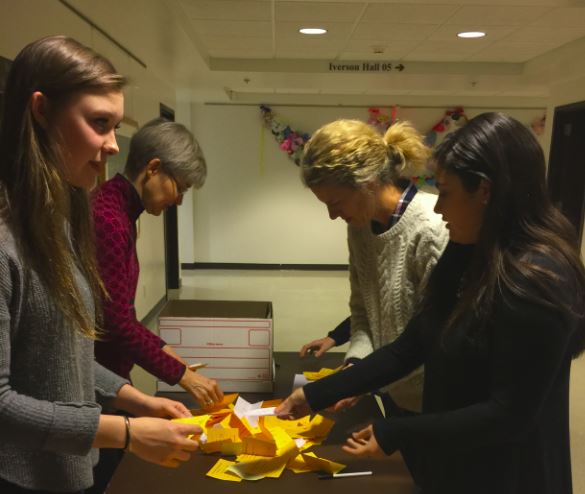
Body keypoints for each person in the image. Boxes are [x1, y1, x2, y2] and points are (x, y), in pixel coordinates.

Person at [277, 112, 585, 494]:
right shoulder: (467, 249)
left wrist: (394, 431)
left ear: (484, 191)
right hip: (459, 456)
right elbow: (412, 345)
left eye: (447, 192)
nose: (439, 209)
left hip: (511, 471)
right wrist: (316, 394)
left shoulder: (539, 277)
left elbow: (509, 415)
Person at [0, 36, 202, 493]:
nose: (113, 145)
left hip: (65, 468)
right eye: (99, 123)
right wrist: (125, 432)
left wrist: (134, 401)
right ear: (41, 111)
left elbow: (64, 357)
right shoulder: (6, 241)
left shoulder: (59, 226)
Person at [298, 119, 448, 410]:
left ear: (368, 184)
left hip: (437, 403)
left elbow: (437, 341)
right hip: (390, 390)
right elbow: (363, 313)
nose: (332, 215)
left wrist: (364, 380)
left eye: (336, 202)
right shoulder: (360, 229)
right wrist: (356, 365)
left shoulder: (432, 227)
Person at [91, 118, 223, 408]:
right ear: (153, 169)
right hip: (96, 380)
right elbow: (116, 324)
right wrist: (182, 376)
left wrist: (163, 349)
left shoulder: (120, 210)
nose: (178, 201)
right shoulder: (109, 219)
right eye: (181, 188)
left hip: (110, 372)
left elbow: (121, 312)